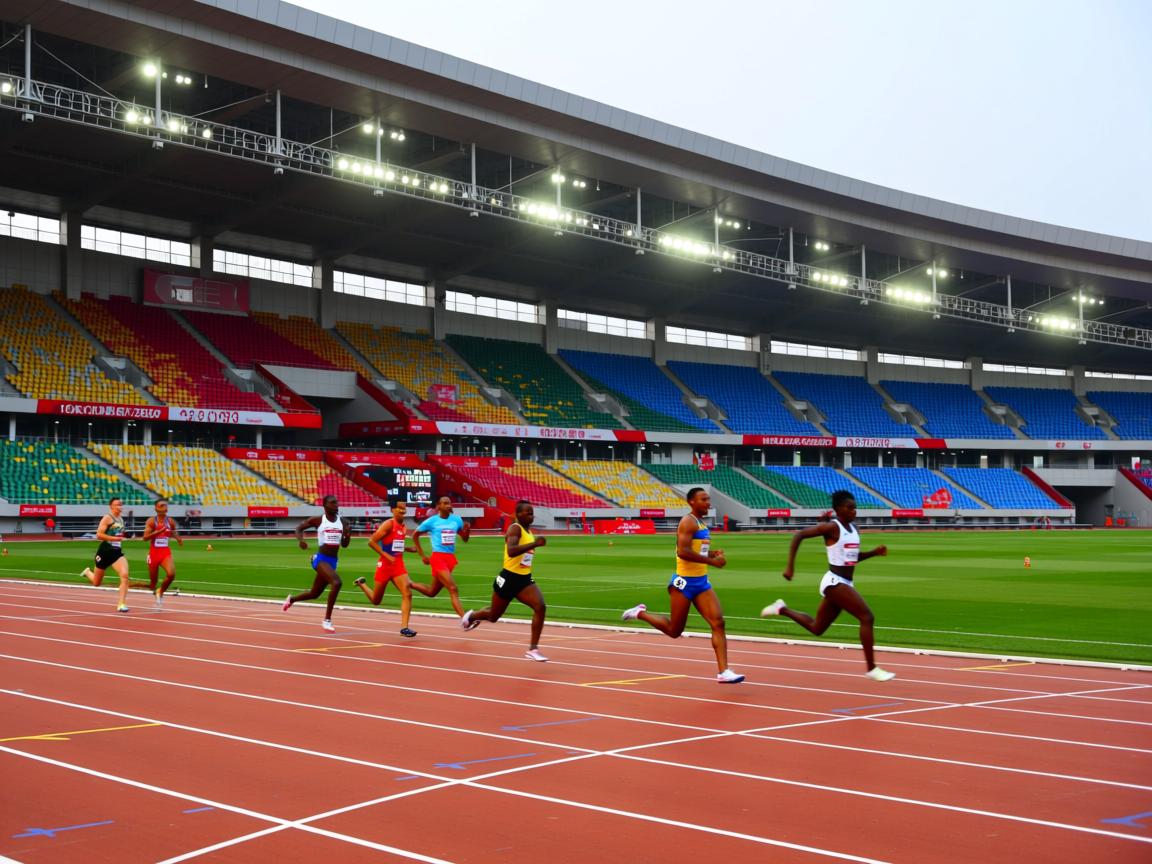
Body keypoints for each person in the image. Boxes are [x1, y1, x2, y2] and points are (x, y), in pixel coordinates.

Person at [761, 490, 895, 682]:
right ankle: (872, 668)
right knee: (867, 617)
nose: (854, 511)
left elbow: (852, 558)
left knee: (817, 628)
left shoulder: (854, 529)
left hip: (846, 582)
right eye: (849, 508)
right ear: (838, 509)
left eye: (855, 507)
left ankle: (781, 609)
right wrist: (790, 566)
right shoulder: (832, 527)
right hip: (834, 582)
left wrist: (873, 553)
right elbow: (799, 535)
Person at [621, 488, 744, 684]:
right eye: (703, 499)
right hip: (684, 583)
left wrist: (711, 554)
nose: (708, 502)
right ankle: (639, 613)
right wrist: (713, 562)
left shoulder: (701, 523)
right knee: (674, 631)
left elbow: (696, 551)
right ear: (692, 502)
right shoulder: (688, 522)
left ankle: (724, 671)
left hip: (702, 583)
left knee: (718, 623)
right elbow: (683, 552)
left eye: (708, 499)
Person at [461, 500, 549, 661]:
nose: (532, 515)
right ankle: (472, 616)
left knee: (540, 606)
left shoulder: (528, 532)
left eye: (532, 512)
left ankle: (533, 649)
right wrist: (535, 543)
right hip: (508, 579)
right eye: (528, 512)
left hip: (524, 580)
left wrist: (533, 542)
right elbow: (511, 551)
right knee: (493, 616)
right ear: (518, 514)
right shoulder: (514, 528)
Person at [283, 495, 350, 632]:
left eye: (337, 502)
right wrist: (300, 540)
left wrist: (347, 535)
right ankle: (327, 620)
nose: (336, 505)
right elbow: (299, 528)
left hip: (332, 562)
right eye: (333, 503)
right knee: (337, 583)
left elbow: (344, 545)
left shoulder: (343, 522)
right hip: (320, 559)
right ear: (325, 505)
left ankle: (291, 600)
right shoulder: (319, 520)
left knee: (315, 594)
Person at [354, 499, 418, 637]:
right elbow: (371, 542)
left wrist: (408, 549)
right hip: (385, 565)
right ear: (392, 510)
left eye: (404, 508)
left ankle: (404, 628)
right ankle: (361, 583)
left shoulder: (403, 526)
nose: (402, 510)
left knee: (407, 593)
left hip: (398, 565)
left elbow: (395, 545)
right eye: (399, 508)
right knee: (376, 601)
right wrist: (386, 555)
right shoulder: (389, 524)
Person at [410, 495, 470, 620]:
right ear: (438, 506)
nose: (448, 505)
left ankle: (409, 584)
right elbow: (415, 535)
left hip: (450, 559)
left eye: (449, 503)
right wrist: (422, 555)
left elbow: (464, 539)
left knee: (432, 592)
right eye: (445, 503)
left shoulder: (457, 520)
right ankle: (465, 619)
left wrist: (467, 531)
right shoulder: (432, 521)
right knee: (453, 588)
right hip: (438, 558)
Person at [81, 496, 133, 613]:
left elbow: (119, 533)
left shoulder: (121, 519)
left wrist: (123, 536)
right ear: (111, 506)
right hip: (105, 552)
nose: (119, 506)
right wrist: (115, 538)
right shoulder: (107, 518)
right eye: (116, 505)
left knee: (124, 575)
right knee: (96, 583)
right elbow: (99, 535)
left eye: (120, 504)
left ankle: (121, 604)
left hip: (116, 553)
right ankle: (88, 572)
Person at [142, 499, 182, 608]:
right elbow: (145, 538)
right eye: (161, 505)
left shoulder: (171, 522)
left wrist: (177, 538)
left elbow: (172, 532)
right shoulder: (151, 521)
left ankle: (160, 592)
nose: (164, 507)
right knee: (152, 584)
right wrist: (158, 532)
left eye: (165, 505)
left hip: (165, 552)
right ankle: (154, 589)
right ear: (156, 508)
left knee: (171, 574)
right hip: (154, 553)